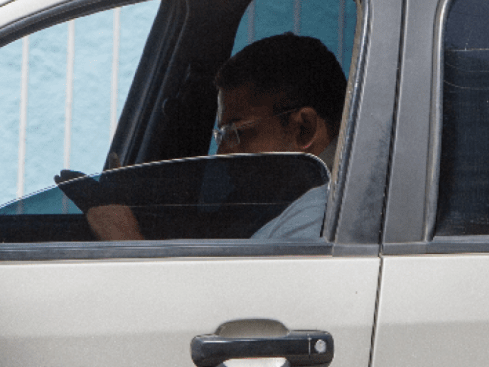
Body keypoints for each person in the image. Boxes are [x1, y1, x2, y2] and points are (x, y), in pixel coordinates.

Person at [87, 32, 347, 241]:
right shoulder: (278, 198)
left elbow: (250, 293)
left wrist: (125, 239)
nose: (222, 154)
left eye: (237, 133)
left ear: (304, 128)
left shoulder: (324, 214)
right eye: (221, 135)